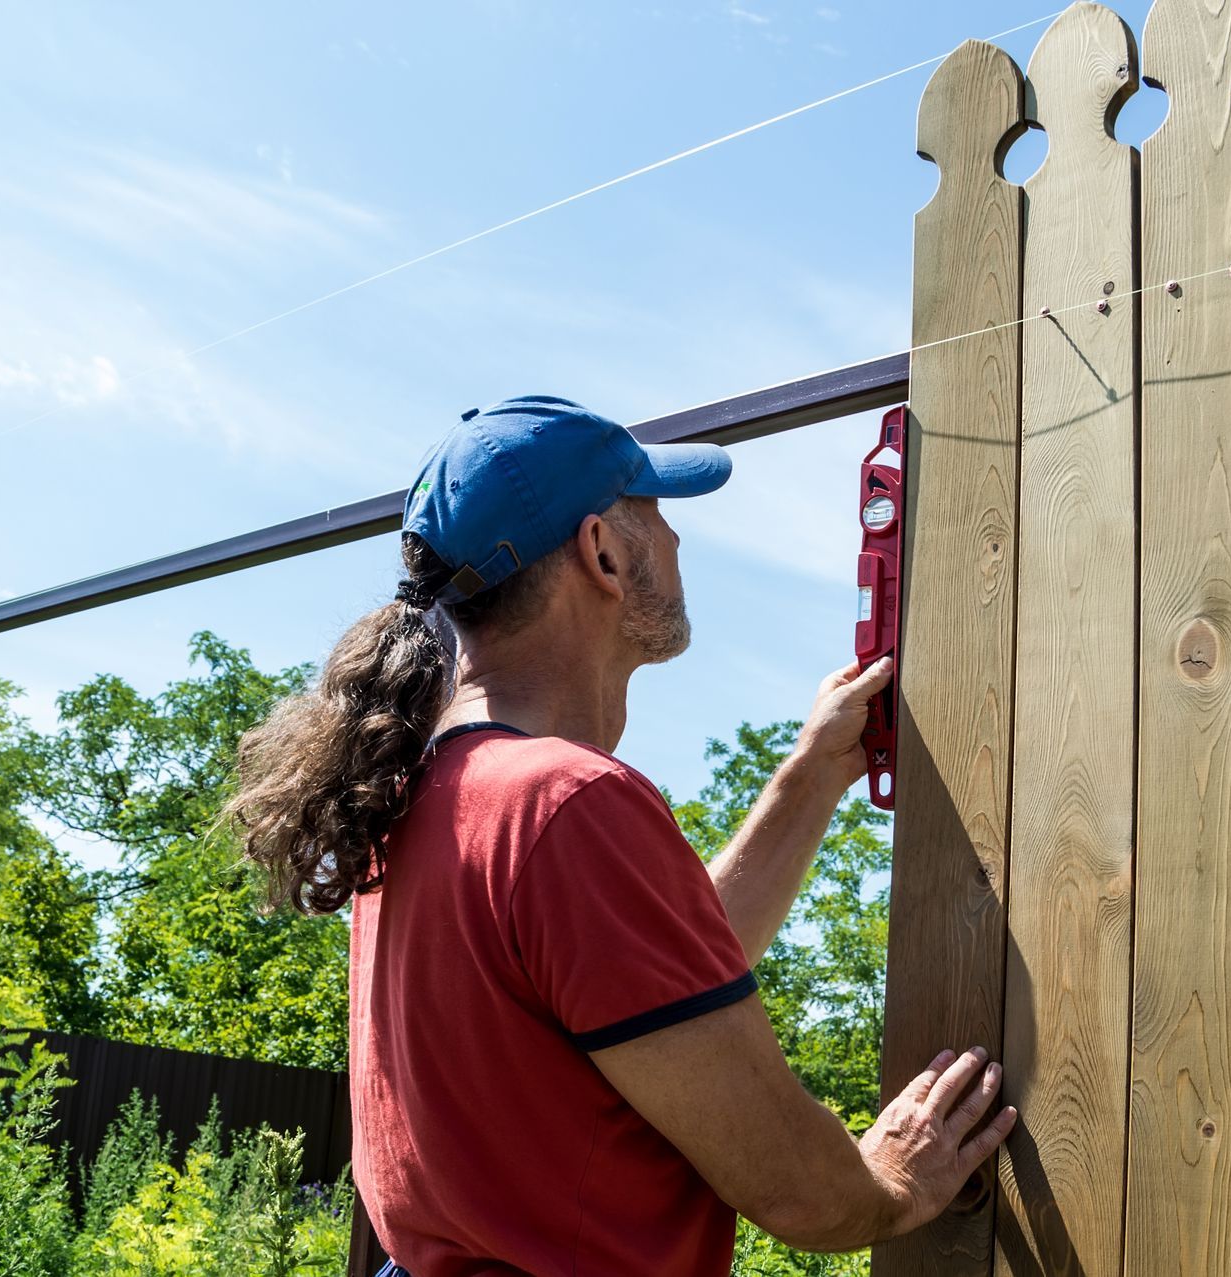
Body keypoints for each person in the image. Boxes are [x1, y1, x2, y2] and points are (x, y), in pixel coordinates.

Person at [228, 395, 1016, 1276]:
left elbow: (643, 994)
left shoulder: (429, 793)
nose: (676, 541)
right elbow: (797, 1189)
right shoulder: (566, 804)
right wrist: (893, 1180)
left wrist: (812, 773)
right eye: (656, 514)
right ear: (602, 551)